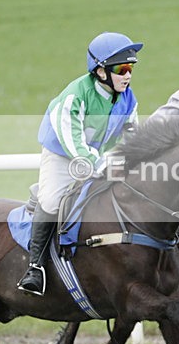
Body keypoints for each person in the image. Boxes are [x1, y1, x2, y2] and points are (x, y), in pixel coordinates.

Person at [17, 31, 143, 296]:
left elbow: (133, 137)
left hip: (97, 155)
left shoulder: (128, 98)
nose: (128, 75)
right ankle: (35, 268)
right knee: (52, 202)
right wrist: (96, 163)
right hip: (63, 155)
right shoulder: (75, 95)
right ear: (100, 71)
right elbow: (71, 140)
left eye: (131, 68)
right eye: (121, 69)